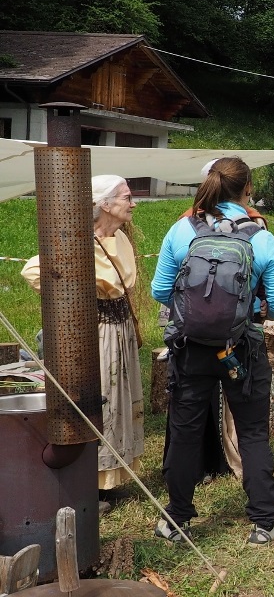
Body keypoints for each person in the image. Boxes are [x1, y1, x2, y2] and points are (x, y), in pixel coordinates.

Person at [150, 157, 274, 545]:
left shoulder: (183, 229)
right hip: (242, 349)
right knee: (252, 432)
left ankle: (176, 519)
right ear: (248, 189)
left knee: (185, 431)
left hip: (190, 348)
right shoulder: (261, 238)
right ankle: (266, 522)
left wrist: (194, 312)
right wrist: (250, 311)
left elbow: (160, 290)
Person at [22, 175, 145, 509]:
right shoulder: (77, 240)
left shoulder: (120, 238)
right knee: (98, 400)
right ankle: (89, 480)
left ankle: (111, 477)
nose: (133, 204)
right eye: (127, 197)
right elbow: (32, 270)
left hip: (121, 330)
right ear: (104, 204)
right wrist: (76, 294)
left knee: (120, 399)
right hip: (96, 331)